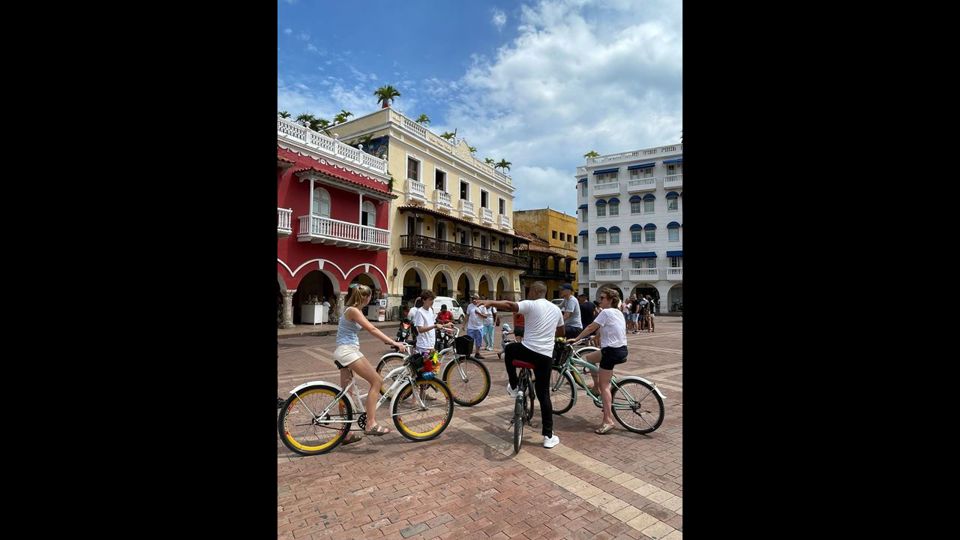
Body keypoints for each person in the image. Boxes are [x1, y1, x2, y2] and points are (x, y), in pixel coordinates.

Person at [480, 281, 564, 449]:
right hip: (545, 357)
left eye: (529, 291)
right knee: (544, 395)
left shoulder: (531, 304)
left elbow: (510, 305)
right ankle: (548, 436)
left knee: (510, 349)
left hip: (528, 350)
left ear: (534, 292)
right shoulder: (556, 310)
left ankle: (513, 385)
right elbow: (561, 332)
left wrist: (490, 302)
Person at [334, 284, 409, 438]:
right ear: (366, 297)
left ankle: (344, 433)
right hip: (349, 351)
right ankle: (371, 423)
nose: (371, 299)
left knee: (346, 394)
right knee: (377, 381)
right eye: (370, 296)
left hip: (343, 351)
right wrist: (394, 343)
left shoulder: (352, 310)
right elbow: (372, 329)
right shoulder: (354, 311)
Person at [573, 287, 628, 435]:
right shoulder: (618, 313)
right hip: (619, 349)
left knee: (606, 386)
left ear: (610, 300)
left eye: (603, 298)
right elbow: (604, 330)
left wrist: (576, 339)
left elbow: (591, 327)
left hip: (611, 352)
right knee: (590, 358)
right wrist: (596, 338)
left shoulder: (606, 312)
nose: (600, 300)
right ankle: (596, 387)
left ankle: (608, 420)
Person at [413, 290, 453, 391]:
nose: (432, 302)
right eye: (430, 300)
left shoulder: (430, 310)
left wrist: (444, 326)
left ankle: (424, 391)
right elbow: (420, 329)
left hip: (431, 345)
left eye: (432, 300)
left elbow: (434, 324)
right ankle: (417, 396)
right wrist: (435, 325)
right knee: (423, 371)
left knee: (434, 368)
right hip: (423, 346)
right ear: (424, 300)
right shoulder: (420, 312)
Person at [464, 294, 487, 359]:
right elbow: (467, 315)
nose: (473, 300)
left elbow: (485, 316)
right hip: (470, 327)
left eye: (475, 298)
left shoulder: (482, 306)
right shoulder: (469, 306)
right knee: (469, 341)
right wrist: (464, 325)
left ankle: (477, 353)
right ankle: (468, 353)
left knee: (479, 341)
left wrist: (479, 314)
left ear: (478, 299)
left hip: (479, 327)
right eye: (472, 298)